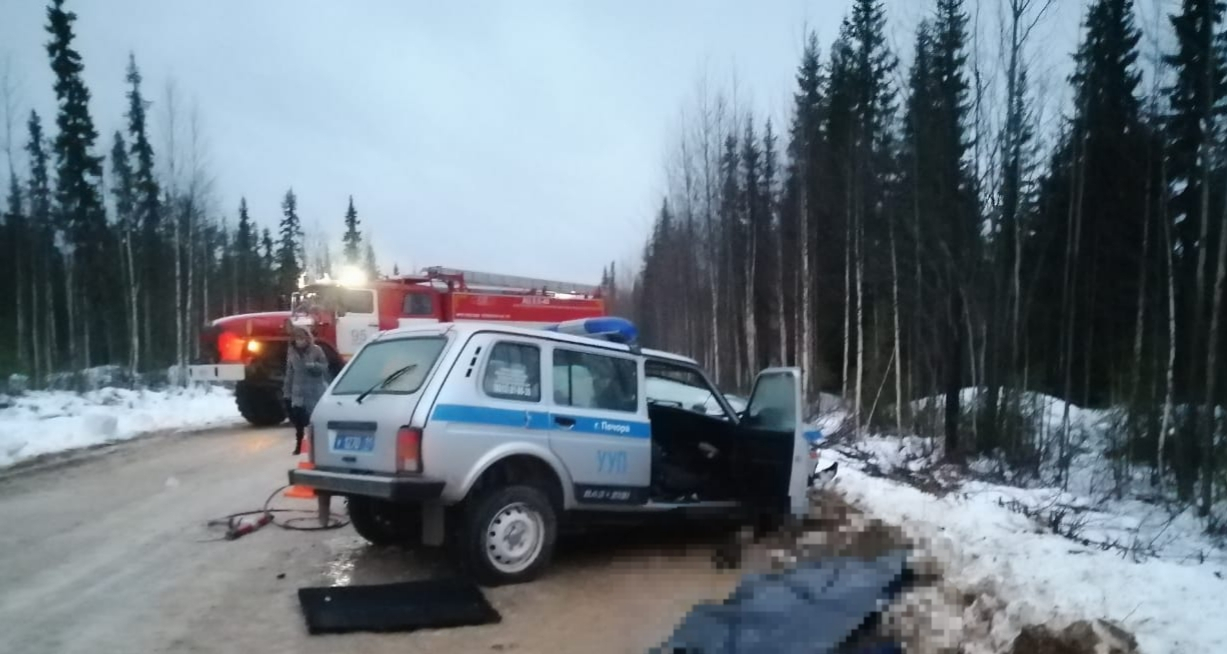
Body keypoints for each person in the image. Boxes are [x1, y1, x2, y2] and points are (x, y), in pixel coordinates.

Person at [283, 326, 330, 455]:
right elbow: (289, 372)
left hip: (314, 391)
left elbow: (325, 367)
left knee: (313, 421)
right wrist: (287, 391)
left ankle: (316, 447)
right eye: (297, 338)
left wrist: (314, 366)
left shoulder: (316, 350)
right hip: (298, 391)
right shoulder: (292, 352)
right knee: (298, 422)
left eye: (302, 338)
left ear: (307, 338)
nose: (299, 341)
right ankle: (298, 446)